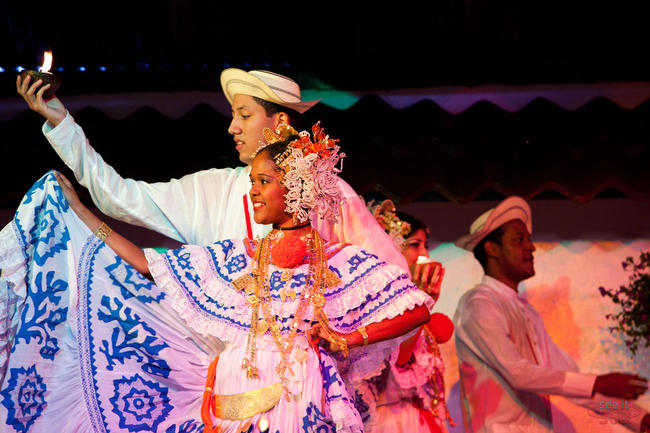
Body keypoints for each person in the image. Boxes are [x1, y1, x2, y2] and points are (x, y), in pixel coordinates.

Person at [0, 122, 434, 433]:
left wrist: (347, 339)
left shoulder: (340, 260)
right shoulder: (239, 256)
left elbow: (416, 309)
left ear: (297, 188)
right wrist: (84, 217)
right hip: (234, 395)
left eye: (264, 181)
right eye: (252, 181)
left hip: (302, 397)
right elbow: (149, 264)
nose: (254, 191)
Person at [15, 68, 408, 271]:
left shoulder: (330, 194)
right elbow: (121, 197)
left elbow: (387, 274)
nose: (232, 127)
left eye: (244, 114)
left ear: (282, 123)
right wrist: (62, 125)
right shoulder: (214, 190)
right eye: (233, 114)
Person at [452, 196, 650, 433]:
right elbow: (518, 373)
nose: (531, 247)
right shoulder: (478, 304)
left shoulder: (526, 311)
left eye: (529, 239)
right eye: (519, 240)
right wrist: (597, 382)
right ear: (492, 248)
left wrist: (637, 417)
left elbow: (573, 384)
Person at [358, 200, 455, 433]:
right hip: (393, 420)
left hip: (418, 416)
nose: (424, 254)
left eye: (425, 245)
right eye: (415, 244)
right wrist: (420, 304)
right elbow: (401, 360)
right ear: (389, 246)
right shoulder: (375, 301)